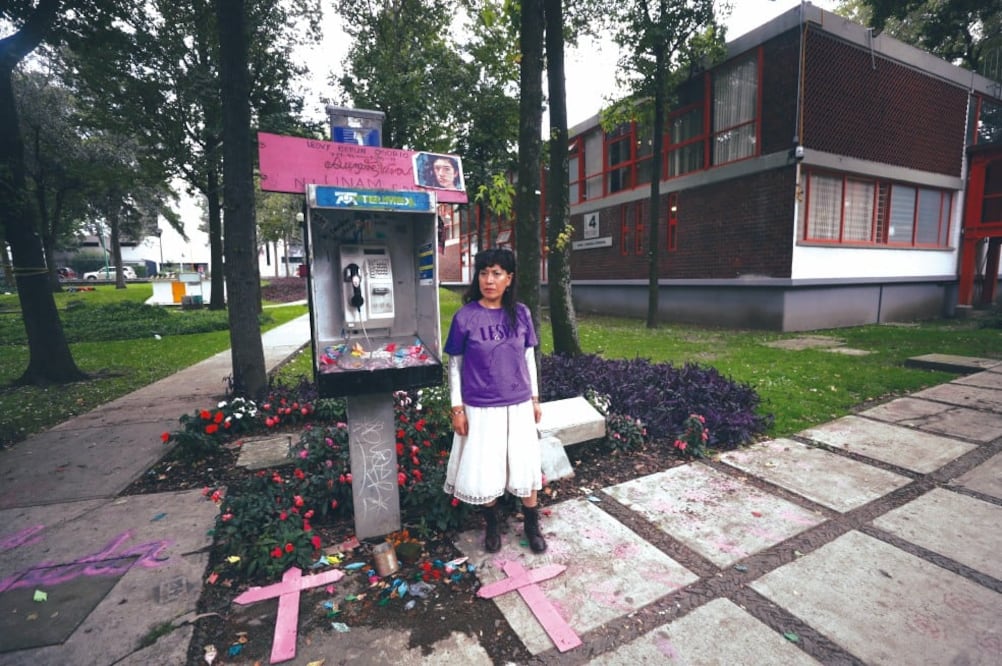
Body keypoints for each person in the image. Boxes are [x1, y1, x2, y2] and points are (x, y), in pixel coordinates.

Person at [443, 248, 546, 553]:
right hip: (480, 407)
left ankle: (531, 523)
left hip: (518, 404)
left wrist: (535, 399)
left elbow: (529, 360)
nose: (490, 280)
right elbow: (455, 367)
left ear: (509, 278)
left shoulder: (521, 313)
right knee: (486, 468)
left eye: (497, 273)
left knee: (524, 466)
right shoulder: (465, 317)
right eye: (484, 272)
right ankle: (492, 524)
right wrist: (457, 408)